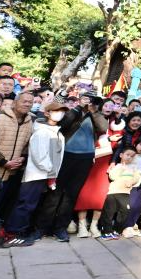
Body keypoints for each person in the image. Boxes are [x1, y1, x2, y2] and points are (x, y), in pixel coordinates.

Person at [34, 95, 108, 242]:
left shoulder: (95, 114)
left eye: (91, 99)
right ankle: (42, 227)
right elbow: (64, 124)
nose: (88, 102)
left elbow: (103, 127)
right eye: (86, 98)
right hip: (66, 155)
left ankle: (60, 228)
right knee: (55, 193)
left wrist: (93, 111)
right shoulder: (71, 111)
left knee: (71, 195)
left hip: (85, 158)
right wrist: (79, 107)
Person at [3, 101, 67, 246]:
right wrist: (51, 172)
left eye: (62, 112)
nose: (60, 114)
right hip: (36, 175)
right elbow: (40, 157)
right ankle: (13, 233)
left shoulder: (57, 131)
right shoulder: (42, 132)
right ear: (47, 113)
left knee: (31, 205)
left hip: (47, 175)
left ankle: (21, 231)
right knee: (26, 204)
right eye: (56, 111)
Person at [0, 91, 35, 222]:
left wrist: (23, 158)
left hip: (13, 173)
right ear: (14, 102)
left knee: (4, 205)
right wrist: (4, 162)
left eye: (30, 102)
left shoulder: (30, 122)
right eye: (24, 101)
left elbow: (26, 146)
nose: (27, 104)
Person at [73, 115, 122, 238]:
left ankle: (94, 226)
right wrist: (108, 140)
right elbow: (86, 143)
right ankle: (82, 226)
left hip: (106, 166)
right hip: (89, 165)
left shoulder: (119, 129)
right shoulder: (90, 126)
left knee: (100, 197)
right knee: (84, 196)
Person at [98, 146, 141, 240]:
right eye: (127, 155)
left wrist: (132, 181)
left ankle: (116, 230)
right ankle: (106, 231)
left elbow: (137, 177)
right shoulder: (117, 166)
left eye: (132, 156)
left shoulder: (134, 168)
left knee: (124, 212)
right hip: (113, 193)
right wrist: (121, 168)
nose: (129, 157)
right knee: (108, 213)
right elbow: (112, 176)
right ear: (121, 155)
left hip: (125, 193)